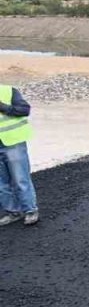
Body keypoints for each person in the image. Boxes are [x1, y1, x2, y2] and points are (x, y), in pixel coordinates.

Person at [0, 82, 38, 226]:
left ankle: (30, 210)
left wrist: (3, 107)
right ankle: (13, 212)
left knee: (20, 178)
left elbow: (24, 109)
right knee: (1, 184)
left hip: (13, 143)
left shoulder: (8, 91)